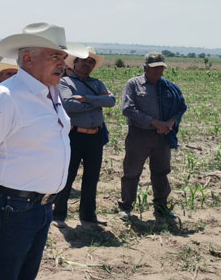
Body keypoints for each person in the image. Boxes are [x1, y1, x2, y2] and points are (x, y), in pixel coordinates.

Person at [0, 22, 88, 280]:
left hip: (41, 207)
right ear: (27, 58)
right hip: (10, 210)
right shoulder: (7, 96)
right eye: (55, 56)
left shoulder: (51, 91)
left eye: (63, 56)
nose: (63, 63)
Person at [118, 52, 187, 222]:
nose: (158, 72)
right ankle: (126, 207)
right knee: (132, 172)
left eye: (161, 69)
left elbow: (181, 107)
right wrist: (154, 122)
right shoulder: (134, 84)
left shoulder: (170, 87)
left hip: (163, 136)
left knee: (161, 172)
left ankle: (161, 207)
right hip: (139, 135)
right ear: (145, 68)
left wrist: (170, 123)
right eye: (154, 69)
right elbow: (128, 108)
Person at [52, 46, 115, 228]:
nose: (87, 64)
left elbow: (111, 101)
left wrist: (86, 99)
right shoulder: (65, 83)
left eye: (91, 62)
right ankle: (58, 215)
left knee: (92, 177)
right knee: (68, 175)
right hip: (75, 135)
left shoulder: (97, 83)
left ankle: (88, 216)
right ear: (75, 62)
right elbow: (69, 104)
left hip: (95, 136)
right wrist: (97, 102)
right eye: (84, 61)